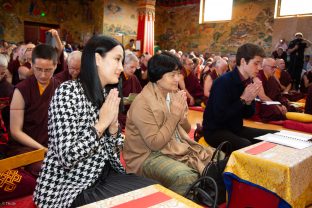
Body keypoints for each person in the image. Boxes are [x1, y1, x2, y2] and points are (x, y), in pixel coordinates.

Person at [34, 35, 155, 208]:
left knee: (151, 191)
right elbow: (66, 157)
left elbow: (109, 150)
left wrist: (113, 131)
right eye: (117, 59)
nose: (121, 67)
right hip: (70, 186)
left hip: (101, 175)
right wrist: (100, 126)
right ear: (98, 59)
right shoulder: (68, 92)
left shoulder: (106, 94)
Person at [123, 52, 214, 195]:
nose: (177, 79)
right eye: (172, 75)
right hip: (146, 156)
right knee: (186, 177)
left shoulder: (172, 94)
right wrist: (174, 116)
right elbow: (155, 144)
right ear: (158, 77)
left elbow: (187, 129)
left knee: (218, 157)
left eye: (178, 74)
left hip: (173, 145)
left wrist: (181, 117)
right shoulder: (143, 103)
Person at [202, 43, 276, 151]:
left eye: (261, 64)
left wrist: (249, 101)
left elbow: (248, 114)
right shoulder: (223, 82)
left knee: (274, 136)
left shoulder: (249, 82)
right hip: (215, 131)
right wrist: (242, 100)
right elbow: (220, 118)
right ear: (242, 62)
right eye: (256, 63)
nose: (260, 68)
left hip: (235, 128)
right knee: (245, 145)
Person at [9, 44, 61, 177]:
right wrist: (42, 149)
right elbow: (15, 131)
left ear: (55, 66)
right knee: (45, 168)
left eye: (48, 70)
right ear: (31, 64)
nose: (43, 75)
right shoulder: (22, 89)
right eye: (38, 69)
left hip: (52, 145)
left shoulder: (60, 88)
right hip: (26, 147)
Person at [118, 52, 142, 129]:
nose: (134, 70)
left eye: (135, 67)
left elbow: (140, 95)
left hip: (132, 113)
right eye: (131, 67)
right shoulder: (117, 78)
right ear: (124, 64)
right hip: (119, 114)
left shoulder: (134, 78)